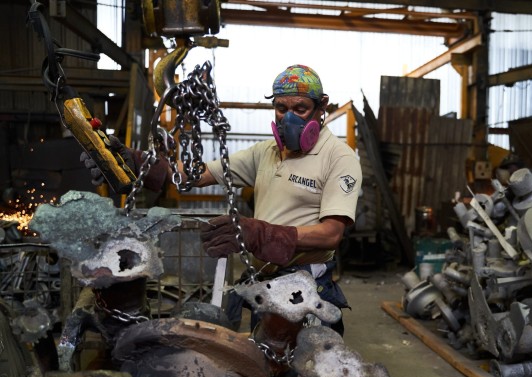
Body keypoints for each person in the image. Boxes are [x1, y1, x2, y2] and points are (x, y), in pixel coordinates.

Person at [81, 64, 362, 335]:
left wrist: (261, 234)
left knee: (304, 370)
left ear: (321, 106)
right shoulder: (266, 152)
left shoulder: (339, 157)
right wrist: (137, 161)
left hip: (307, 286)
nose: (289, 118)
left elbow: (330, 234)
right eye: (281, 108)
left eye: (300, 109)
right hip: (264, 283)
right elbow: (194, 175)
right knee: (267, 368)